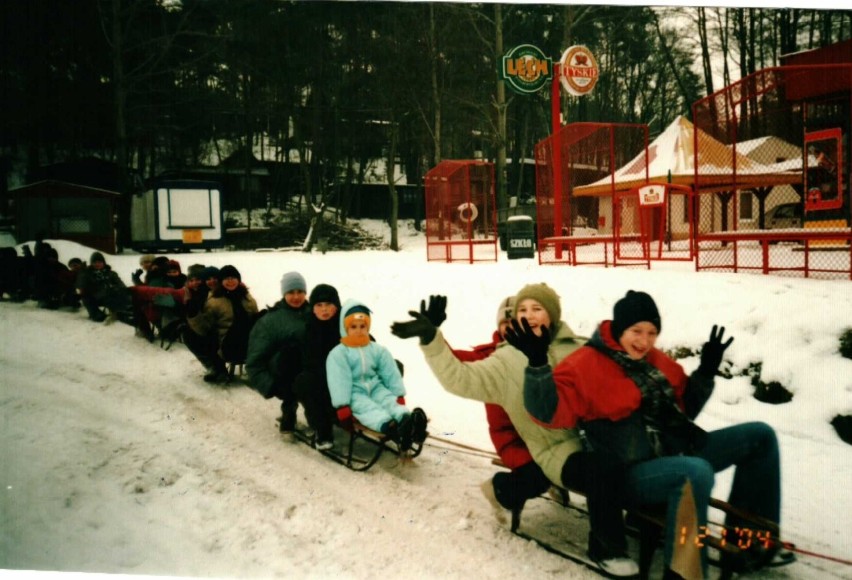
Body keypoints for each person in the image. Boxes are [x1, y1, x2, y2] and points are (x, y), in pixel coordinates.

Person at [517, 290, 794, 579]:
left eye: (652, 332)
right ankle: (683, 572)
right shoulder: (583, 364)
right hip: (629, 473)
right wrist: (537, 365)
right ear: (618, 328)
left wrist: (706, 371)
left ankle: (751, 541)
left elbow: (684, 412)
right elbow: (546, 413)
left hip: (673, 452)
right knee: (694, 472)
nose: (644, 340)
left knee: (760, 436)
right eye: (636, 331)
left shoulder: (655, 361)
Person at [391, 285, 640, 578]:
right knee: (600, 468)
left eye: (537, 309)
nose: (529, 316)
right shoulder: (506, 360)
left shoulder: (577, 347)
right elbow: (459, 377)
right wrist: (431, 338)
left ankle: (645, 516)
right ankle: (605, 547)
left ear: (553, 315)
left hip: (600, 439)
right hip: (557, 452)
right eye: (522, 310)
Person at [446, 296, 552, 524]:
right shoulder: (489, 356)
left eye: (515, 322)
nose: (511, 328)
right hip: (510, 436)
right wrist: (432, 336)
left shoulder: (540, 348)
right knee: (537, 475)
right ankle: (498, 489)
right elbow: (454, 360)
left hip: (541, 431)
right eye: (506, 324)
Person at [327, 299, 427, 452]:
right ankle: (389, 426)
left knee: (388, 400)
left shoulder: (376, 349)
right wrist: (342, 406)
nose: (359, 330)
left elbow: (390, 372)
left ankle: (407, 420)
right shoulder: (339, 353)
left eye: (363, 326)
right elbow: (339, 381)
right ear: (345, 328)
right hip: (354, 392)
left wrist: (398, 394)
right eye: (353, 327)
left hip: (375, 387)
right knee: (367, 409)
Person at [245, 271, 311, 434]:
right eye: (291, 292)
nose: (296, 297)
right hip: (285, 373)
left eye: (300, 292)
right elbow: (255, 360)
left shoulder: (316, 313)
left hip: (311, 369)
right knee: (290, 353)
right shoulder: (271, 321)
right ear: (284, 294)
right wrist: (270, 385)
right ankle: (289, 409)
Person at [185, 265, 258, 383]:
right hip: (229, 345)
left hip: (250, 342)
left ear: (238, 280)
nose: (230, 281)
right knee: (189, 333)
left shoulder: (247, 298)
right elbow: (205, 329)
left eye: (233, 278)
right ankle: (216, 368)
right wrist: (194, 315)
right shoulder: (214, 301)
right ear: (221, 282)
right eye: (226, 279)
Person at [291, 283, 343, 450]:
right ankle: (323, 429)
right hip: (321, 380)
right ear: (313, 309)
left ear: (337, 306)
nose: (324, 309)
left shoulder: (347, 326)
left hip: (347, 378)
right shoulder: (308, 330)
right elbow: (307, 361)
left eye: (329, 304)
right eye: (319, 305)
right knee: (305, 381)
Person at [75, 251, 132, 323]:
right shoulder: (87, 274)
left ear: (104, 263)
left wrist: (118, 289)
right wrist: (82, 272)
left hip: (109, 296)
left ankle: (123, 311)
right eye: (95, 262)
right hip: (94, 297)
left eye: (99, 262)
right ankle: (95, 313)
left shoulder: (110, 273)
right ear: (91, 263)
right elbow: (80, 285)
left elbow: (121, 284)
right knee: (86, 298)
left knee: (122, 294)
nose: (97, 264)